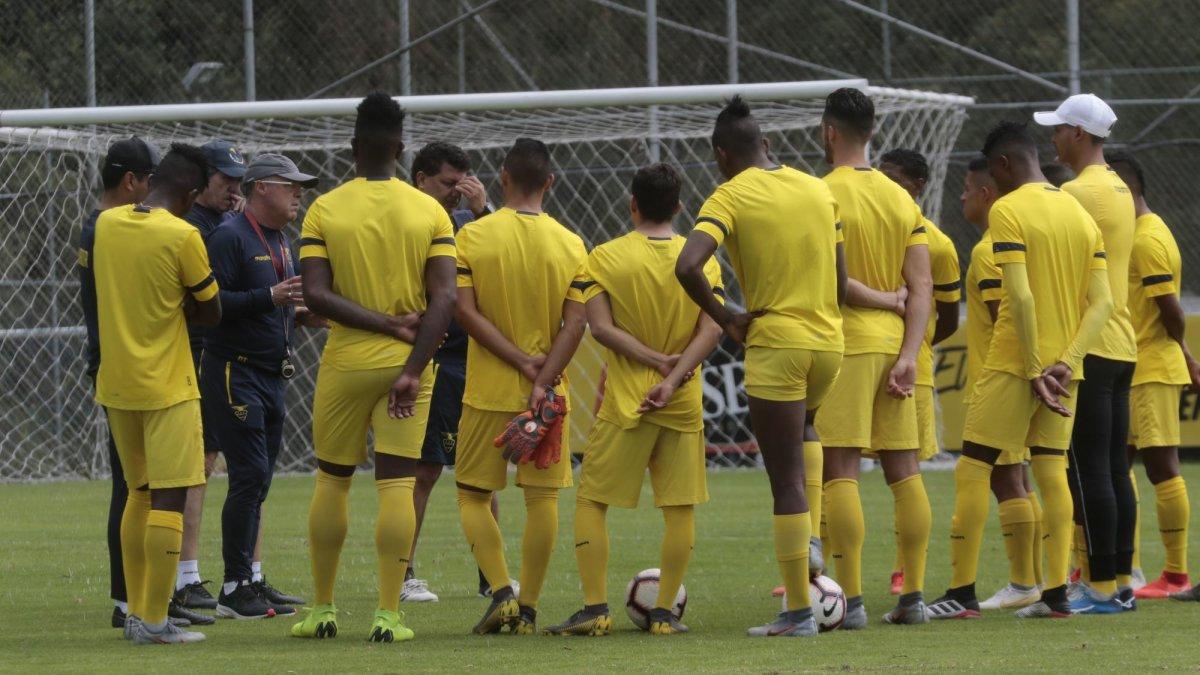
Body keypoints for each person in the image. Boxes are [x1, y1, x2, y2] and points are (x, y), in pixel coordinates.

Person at [926, 121, 1113, 621]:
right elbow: (1102, 304)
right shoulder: (1080, 214)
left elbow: (1022, 296)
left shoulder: (1007, 210)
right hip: (1065, 371)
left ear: (1004, 165)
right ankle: (1055, 594)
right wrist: (1067, 362)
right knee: (1051, 471)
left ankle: (961, 592)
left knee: (974, 467)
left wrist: (1032, 368)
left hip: (1015, 363)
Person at [290, 92, 457, 643]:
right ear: (401, 148)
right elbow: (445, 298)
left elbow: (316, 294)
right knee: (397, 485)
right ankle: (388, 615)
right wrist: (412, 364)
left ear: (353, 147)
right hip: (409, 365)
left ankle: (321, 609)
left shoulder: (324, 209)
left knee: (332, 481)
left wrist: (381, 324)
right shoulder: (430, 211)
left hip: (346, 362)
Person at [676, 97, 845, 637]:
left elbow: (688, 265)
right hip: (830, 343)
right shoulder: (818, 188)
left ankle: (797, 612)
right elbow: (841, 281)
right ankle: (812, 539)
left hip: (778, 344)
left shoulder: (730, 194)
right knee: (808, 428)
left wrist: (725, 316)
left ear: (721, 154)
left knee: (784, 480)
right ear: (767, 144)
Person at [544, 163, 724, 636]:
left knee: (592, 501)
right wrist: (674, 375)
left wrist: (654, 362)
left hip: (627, 403)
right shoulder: (702, 259)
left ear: (632, 204)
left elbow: (601, 329)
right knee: (679, 509)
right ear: (680, 206)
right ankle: (663, 615)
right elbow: (712, 329)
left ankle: (595, 609)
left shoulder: (604, 257)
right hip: (680, 401)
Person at [454, 137, 589, 636]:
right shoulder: (572, 243)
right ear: (550, 181)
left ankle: (502, 592)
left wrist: (517, 361)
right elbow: (576, 325)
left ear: (503, 178)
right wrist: (544, 376)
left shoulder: (472, 236)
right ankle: (528, 608)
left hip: (488, 389)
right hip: (548, 397)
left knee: (472, 494)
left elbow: (464, 312)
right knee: (542, 501)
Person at [91, 143, 222, 644]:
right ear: (191, 195)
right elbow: (211, 310)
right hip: (168, 386)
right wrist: (180, 303)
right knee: (170, 498)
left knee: (138, 494)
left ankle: (135, 613)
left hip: (117, 384)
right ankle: (154, 621)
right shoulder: (183, 235)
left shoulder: (105, 225)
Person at [814, 87, 933, 628]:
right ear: (873, 133)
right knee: (904, 470)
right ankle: (914, 597)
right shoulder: (902, 199)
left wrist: (880, 300)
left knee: (841, 469)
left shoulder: (821, 194)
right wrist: (910, 354)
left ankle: (854, 601)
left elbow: (832, 281)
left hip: (847, 344)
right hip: (895, 346)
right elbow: (921, 286)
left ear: (829, 131)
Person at [202, 154, 321, 619]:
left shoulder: (280, 239)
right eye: (290, 185)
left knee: (261, 480)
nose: (298, 193)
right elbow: (212, 305)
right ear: (261, 188)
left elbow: (274, 305)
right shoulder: (229, 236)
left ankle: (251, 578)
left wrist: (303, 315)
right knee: (249, 476)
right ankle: (233, 587)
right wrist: (268, 297)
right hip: (236, 371)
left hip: (272, 375)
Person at [1035, 94, 1139, 612]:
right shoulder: (1118, 185)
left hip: (1089, 346)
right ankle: (1118, 581)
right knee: (1114, 469)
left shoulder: (1076, 192)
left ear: (1078, 133)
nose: (1053, 137)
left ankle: (1098, 588)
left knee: (1089, 470)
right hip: (1121, 343)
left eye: (1058, 129)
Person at [403, 141, 500, 604]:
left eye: (464, 184)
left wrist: (483, 211)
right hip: (433, 360)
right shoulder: (407, 223)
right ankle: (403, 573)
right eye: (448, 183)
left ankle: (493, 576)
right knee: (425, 470)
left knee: (483, 472)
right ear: (421, 179)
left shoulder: (469, 224)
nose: (457, 193)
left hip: (475, 360)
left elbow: (502, 258)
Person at [1106, 151, 1199, 600]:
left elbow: (1171, 310)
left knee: (1162, 467)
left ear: (1125, 191)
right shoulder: (1139, 233)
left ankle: (1176, 575)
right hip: (1135, 366)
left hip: (1152, 369)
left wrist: (1184, 353)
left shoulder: (1147, 239)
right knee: (1118, 466)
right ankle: (1129, 567)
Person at [78, 136, 159, 629]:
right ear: (131, 181)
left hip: (117, 365)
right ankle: (129, 598)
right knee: (133, 485)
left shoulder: (98, 227)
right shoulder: (106, 229)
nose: (152, 191)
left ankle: (138, 593)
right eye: (149, 180)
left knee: (135, 484)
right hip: (123, 368)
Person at [960, 156, 1044, 610]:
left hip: (1002, 375)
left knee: (1006, 478)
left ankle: (1023, 581)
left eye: (966, 189)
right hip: (1016, 371)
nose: (962, 197)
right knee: (1018, 478)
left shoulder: (988, 250)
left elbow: (1001, 319)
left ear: (986, 194)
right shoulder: (1009, 241)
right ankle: (1032, 578)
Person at [876, 149, 961, 596]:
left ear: (917, 187)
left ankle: (905, 571)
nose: (886, 185)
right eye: (881, 176)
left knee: (904, 470)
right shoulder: (869, 226)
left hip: (913, 366)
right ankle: (819, 568)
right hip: (861, 354)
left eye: (894, 178)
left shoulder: (938, 244)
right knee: (836, 461)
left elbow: (947, 316)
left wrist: (920, 341)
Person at [174, 139, 248, 617]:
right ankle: (185, 576)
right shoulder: (193, 227)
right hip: (197, 355)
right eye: (225, 180)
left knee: (237, 464)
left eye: (239, 181)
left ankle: (245, 576)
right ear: (202, 181)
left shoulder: (224, 223)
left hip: (227, 357)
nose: (233, 189)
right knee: (196, 465)